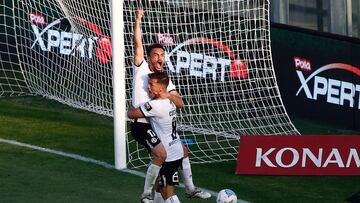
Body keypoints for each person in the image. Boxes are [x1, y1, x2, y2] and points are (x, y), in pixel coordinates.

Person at [131, 8, 211, 202]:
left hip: (157, 124)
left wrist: (166, 94)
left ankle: (189, 189)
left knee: (182, 151)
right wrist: (138, 19)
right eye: (156, 54)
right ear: (149, 58)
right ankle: (146, 194)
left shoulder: (164, 81)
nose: (160, 58)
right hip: (141, 123)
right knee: (161, 156)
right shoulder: (140, 67)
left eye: (162, 55)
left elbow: (180, 102)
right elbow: (137, 43)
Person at [128, 72, 184, 203]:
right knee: (159, 188)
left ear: (160, 88)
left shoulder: (155, 105)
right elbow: (180, 102)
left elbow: (131, 114)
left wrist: (132, 104)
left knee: (167, 193)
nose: (148, 87)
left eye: (151, 84)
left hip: (168, 156)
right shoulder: (171, 100)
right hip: (176, 150)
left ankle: (146, 193)